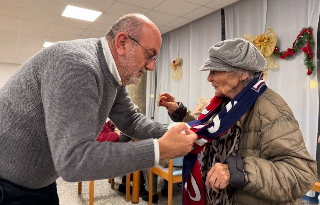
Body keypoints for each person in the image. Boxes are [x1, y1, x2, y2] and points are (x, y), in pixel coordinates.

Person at [0, 13, 198, 204]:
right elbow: (74, 160)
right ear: (122, 43)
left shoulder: (113, 75)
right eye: (149, 55)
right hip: (7, 185)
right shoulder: (77, 65)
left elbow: (131, 119)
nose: (151, 67)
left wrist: (171, 132)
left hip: (41, 182)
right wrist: (159, 149)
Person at [159, 38, 317, 205]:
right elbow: (210, 132)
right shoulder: (228, 103)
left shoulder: (271, 109)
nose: (209, 78)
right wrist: (179, 112)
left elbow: (302, 174)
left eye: (216, 71)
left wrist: (237, 171)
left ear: (243, 73)